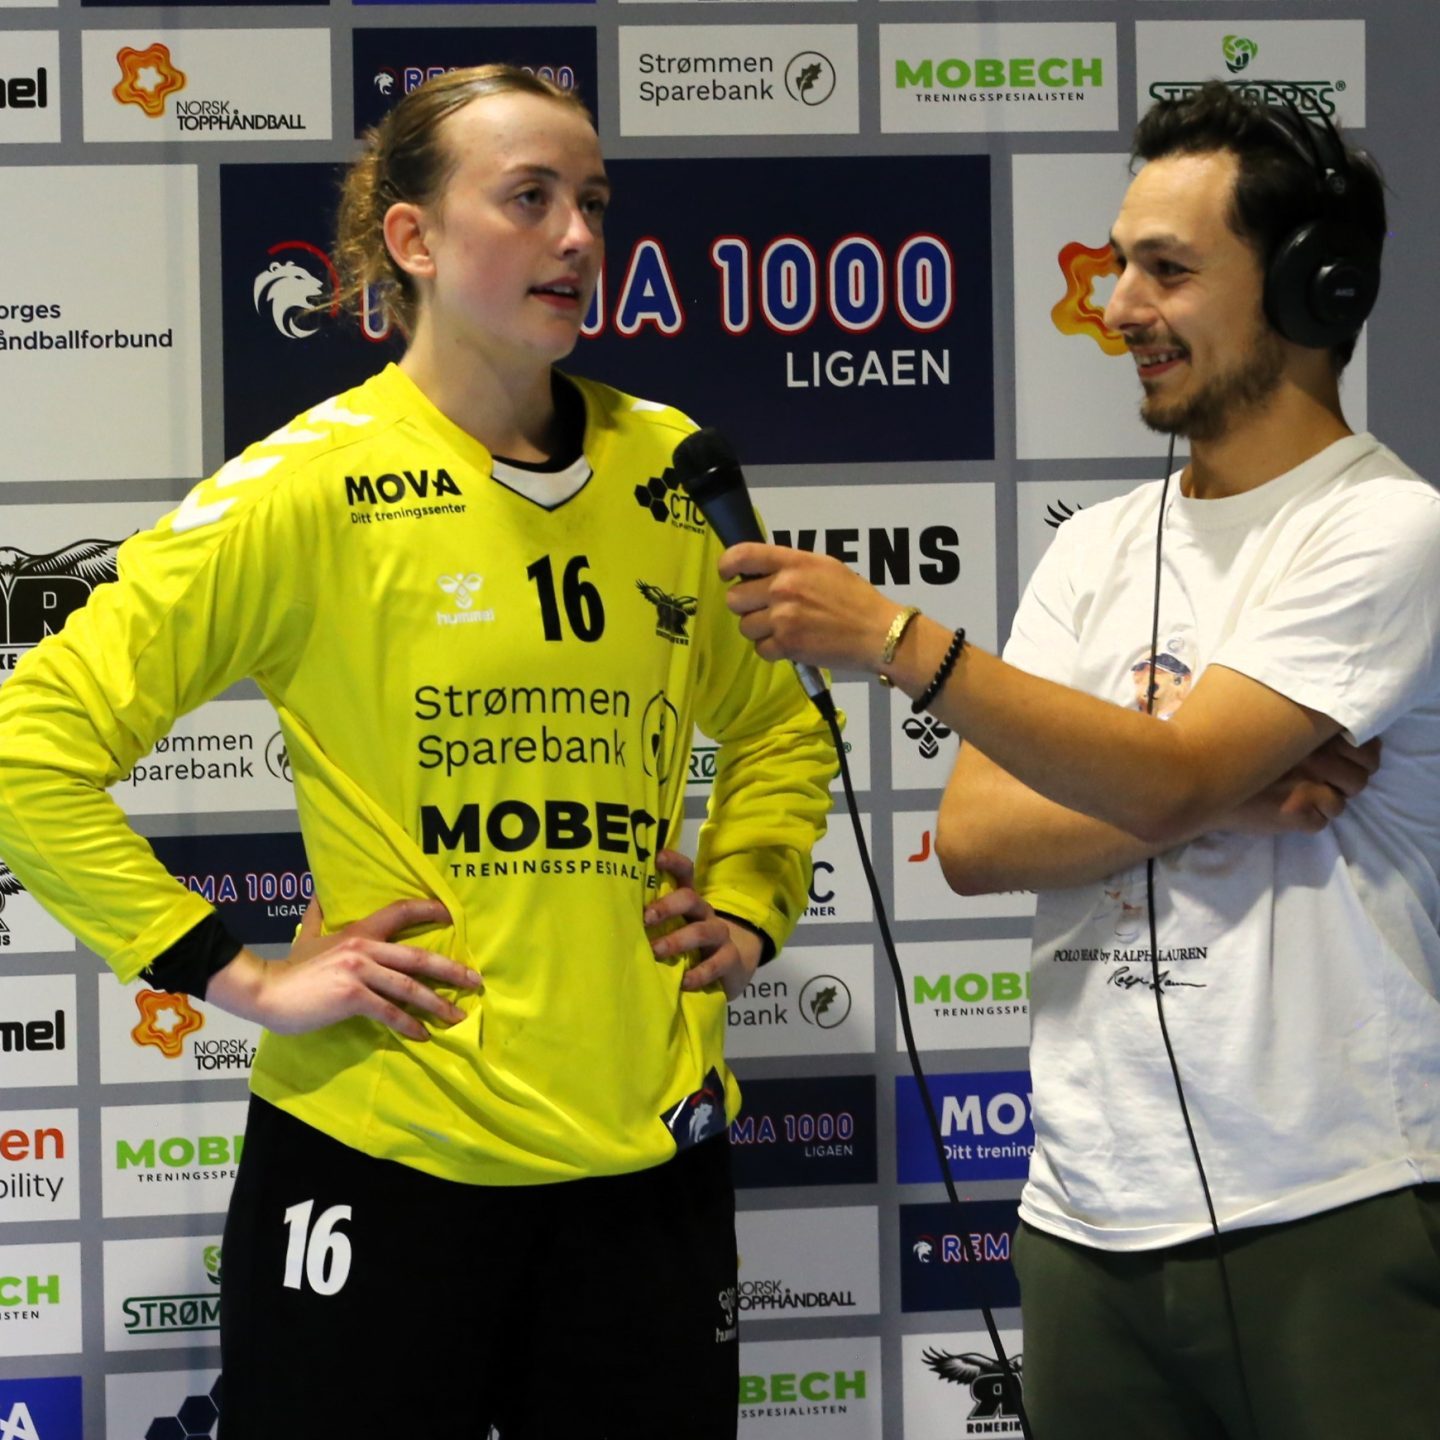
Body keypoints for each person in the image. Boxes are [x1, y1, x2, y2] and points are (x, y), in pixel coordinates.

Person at [0, 67, 835, 1438]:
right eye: (529, 198)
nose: (578, 236)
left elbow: (781, 721)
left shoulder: (671, 464)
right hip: (381, 1151)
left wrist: (747, 899)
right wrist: (238, 976)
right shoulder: (306, 484)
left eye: (593, 202)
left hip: (643, 1160)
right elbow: (27, 750)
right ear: (413, 239)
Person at [711, 83, 1440, 1439]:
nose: (1117, 306)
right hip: (1085, 1220)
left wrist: (897, 640)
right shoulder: (1097, 545)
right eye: (1120, 264)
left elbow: (1163, 781)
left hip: (1330, 1206)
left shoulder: (1386, 528)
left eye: (1167, 269)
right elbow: (976, 840)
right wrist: (1227, 788)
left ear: (1312, 288)